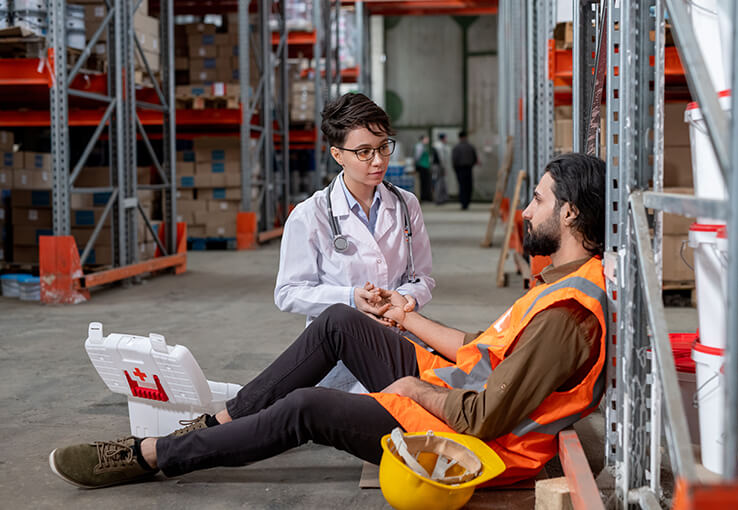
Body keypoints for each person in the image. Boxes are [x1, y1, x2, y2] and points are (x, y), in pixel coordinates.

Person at [49, 153, 608, 490]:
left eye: (537, 200)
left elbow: (482, 418)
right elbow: (483, 349)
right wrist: (404, 316)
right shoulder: (560, 280)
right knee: (341, 320)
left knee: (306, 408)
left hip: (473, 442)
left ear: (571, 213)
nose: (527, 211)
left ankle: (151, 456)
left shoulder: (566, 312)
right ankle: (218, 421)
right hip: (458, 388)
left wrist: (414, 385)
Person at [274, 92, 436, 391]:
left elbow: (422, 276)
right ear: (338, 155)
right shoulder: (311, 215)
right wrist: (351, 298)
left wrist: (405, 297)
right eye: (364, 152)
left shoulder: (406, 204)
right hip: (337, 355)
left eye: (383, 147)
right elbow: (288, 293)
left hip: (398, 338)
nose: (378, 161)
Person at [451, 131, 478, 210]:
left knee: (462, 186)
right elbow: (475, 158)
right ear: (466, 137)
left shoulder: (456, 147)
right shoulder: (470, 146)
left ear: (459, 137)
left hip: (460, 169)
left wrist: (456, 169)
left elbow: (454, 159)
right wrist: (471, 165)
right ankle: (467, 202)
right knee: (468, 186)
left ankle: (463, 203)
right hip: (468, 168)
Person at [432, 133, 450, 205]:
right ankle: (438, 199)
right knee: (439, 182)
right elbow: (441, 158)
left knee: (440, 182)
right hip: (438, 166)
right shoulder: (440, 146)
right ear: (443, 138)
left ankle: (441, 198)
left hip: (436, 166)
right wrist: (443, 168)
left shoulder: (436, 145)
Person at [414, 134, 433, 202]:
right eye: (426, 139)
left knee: (426, 182)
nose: (427, 140)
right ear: (422, 139)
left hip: (425, 166)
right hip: (422, 166)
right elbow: (417, 157)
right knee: (423, 182)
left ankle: (426, 196)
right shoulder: (419, 146)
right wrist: (416, 165)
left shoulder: (424, 146)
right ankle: (423, 197)